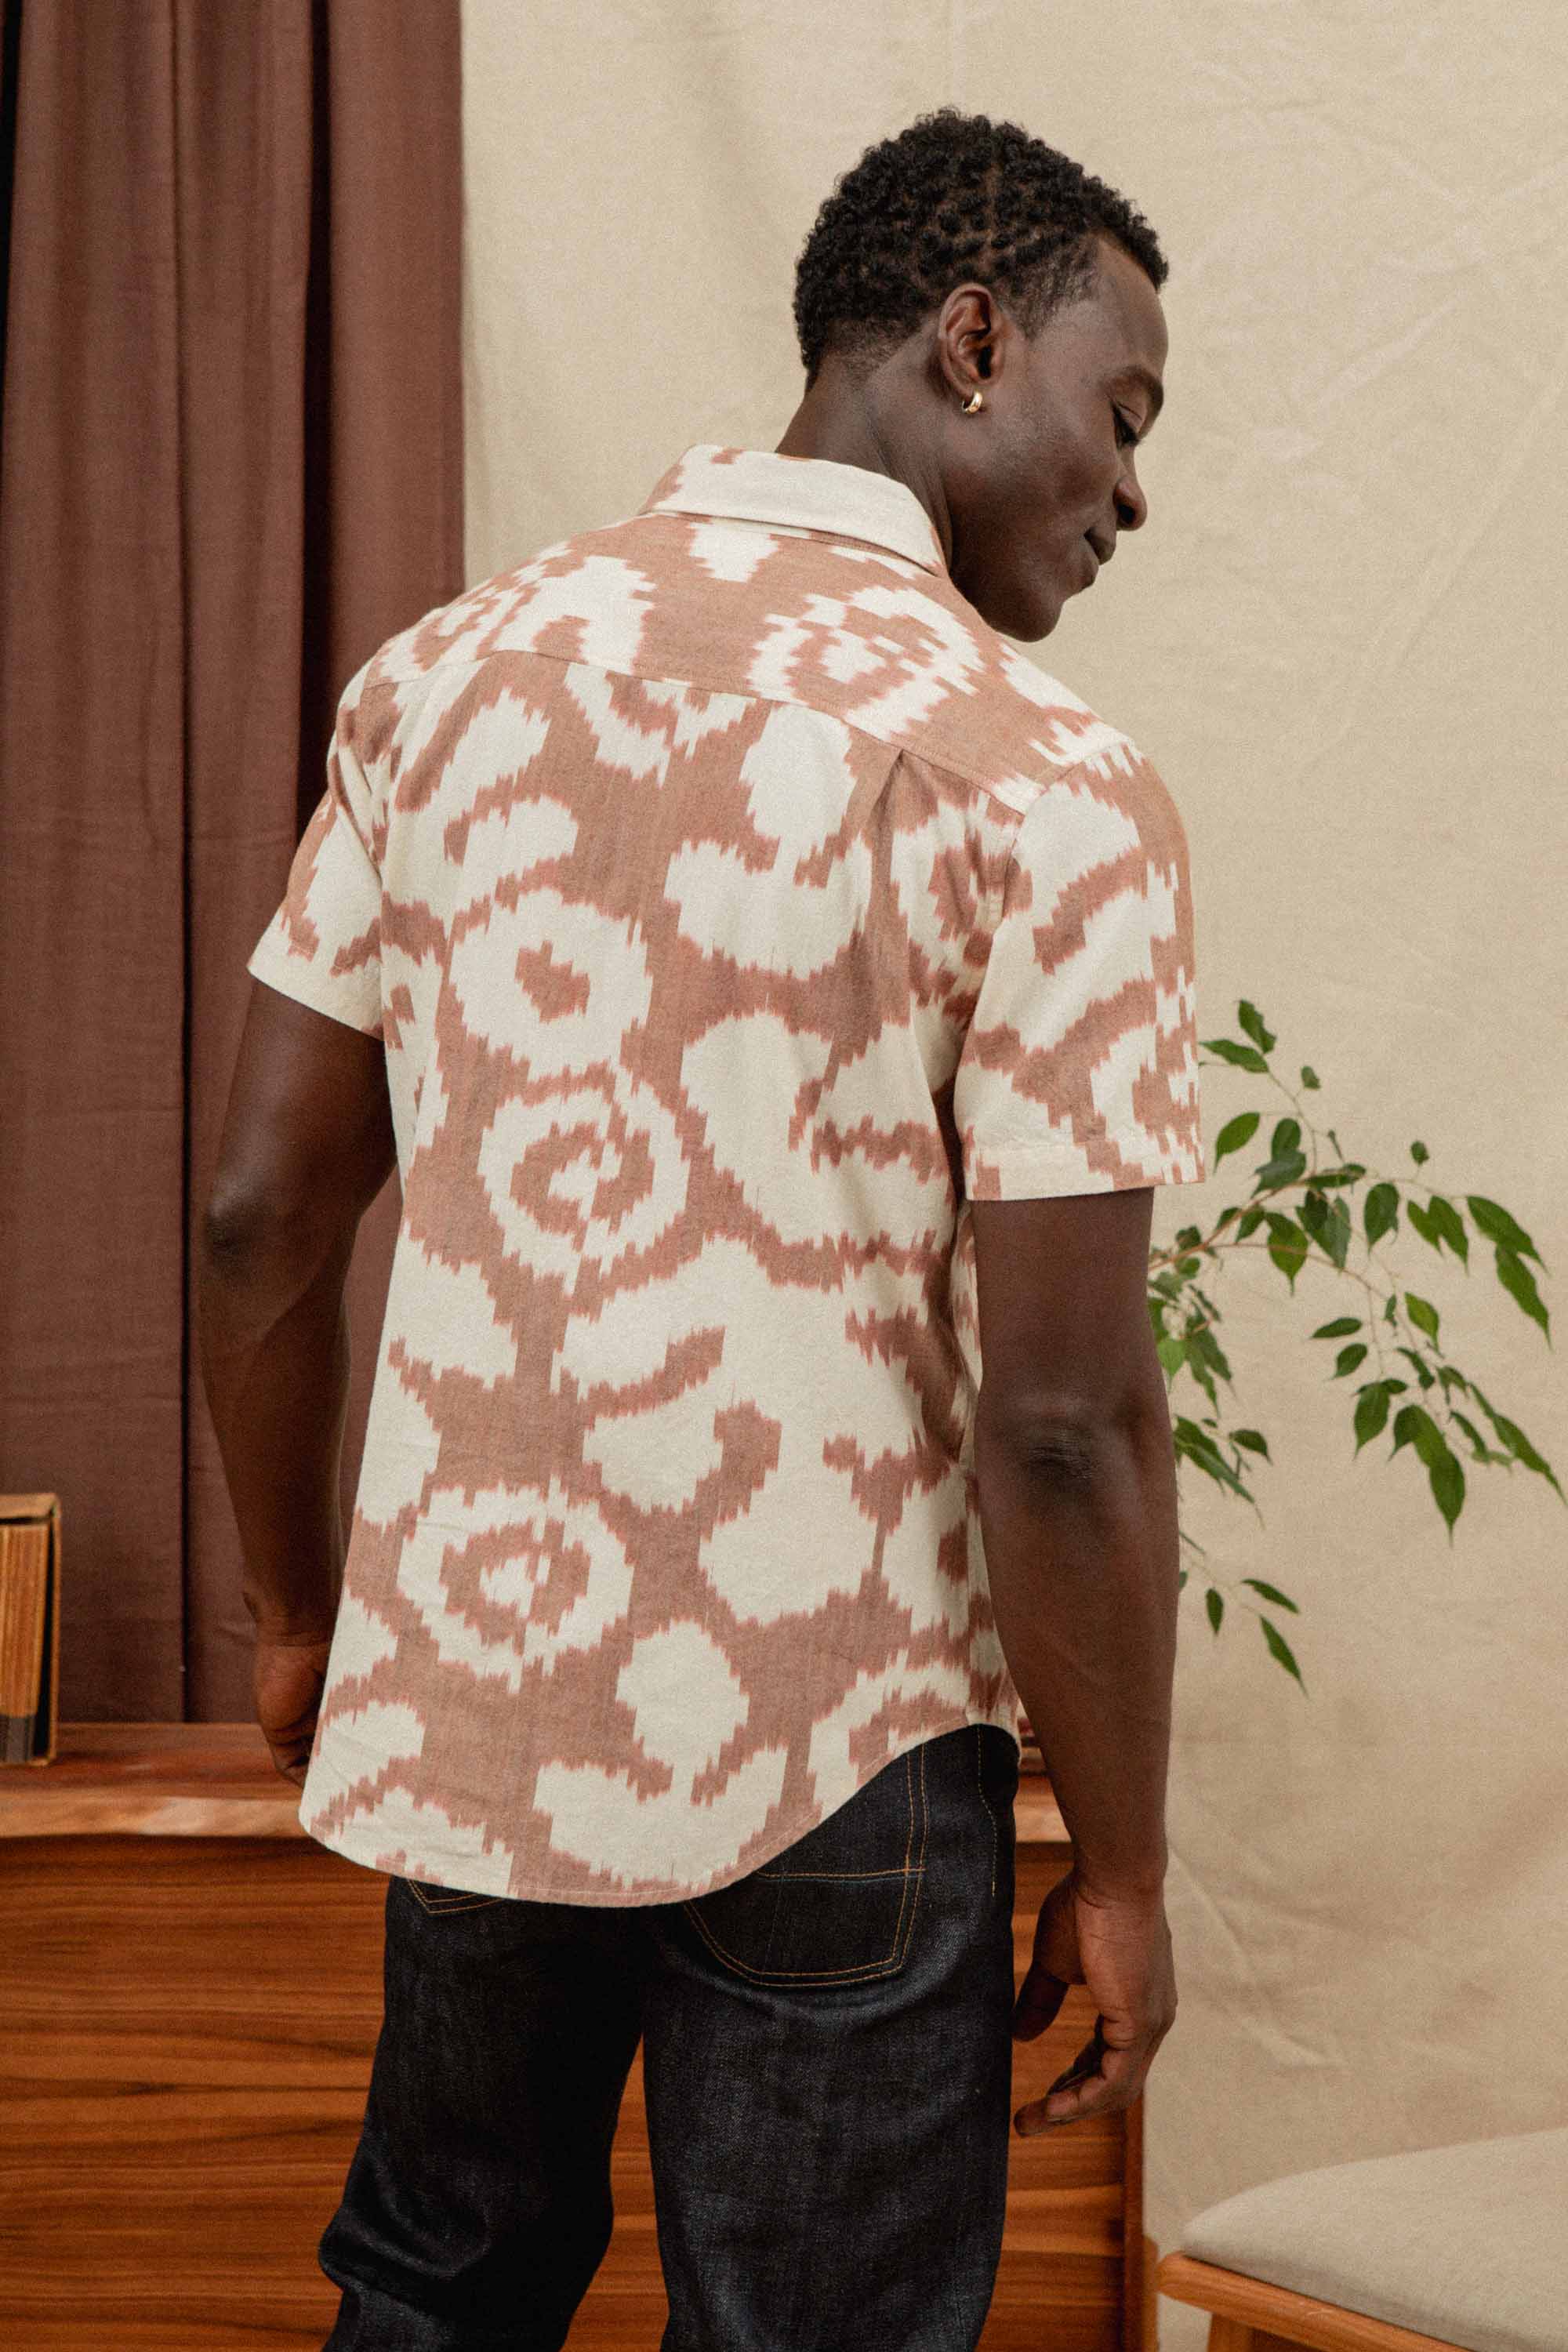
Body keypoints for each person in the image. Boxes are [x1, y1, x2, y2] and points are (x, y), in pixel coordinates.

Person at [199, 106, 1203, 2352]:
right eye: (1119, 411)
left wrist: (295, 1615)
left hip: (483, 1694)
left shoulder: (437, 681)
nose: (1136, 488)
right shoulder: (1047, 782)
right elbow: (1061, 1419)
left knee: (436, 2299)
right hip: (838, 1741)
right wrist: (1124, 1873)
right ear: (967, 338)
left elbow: (261, 1214)